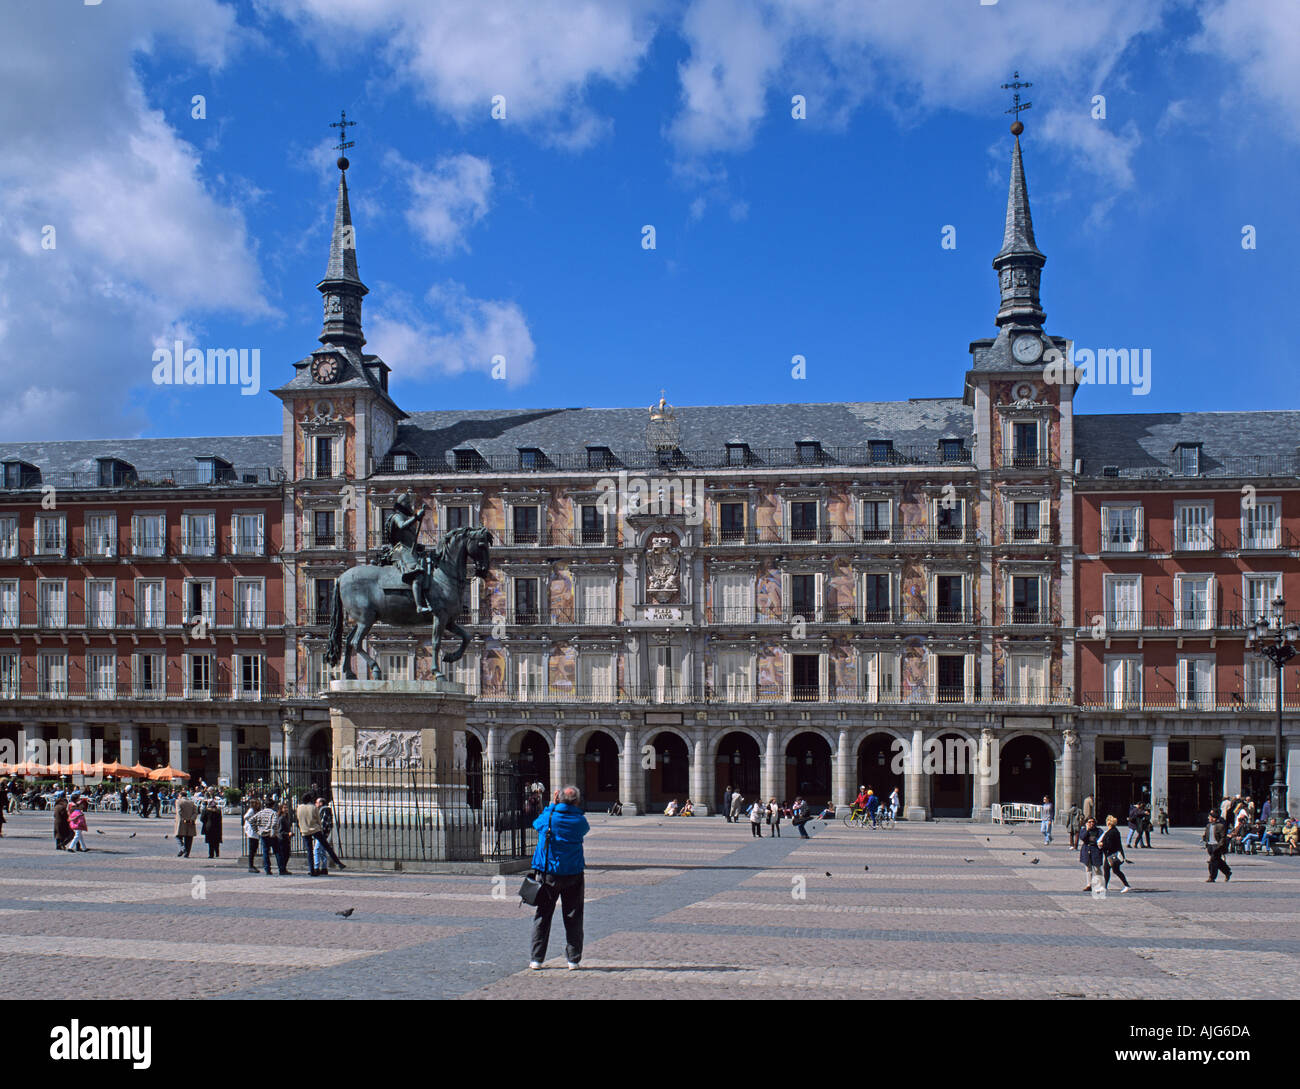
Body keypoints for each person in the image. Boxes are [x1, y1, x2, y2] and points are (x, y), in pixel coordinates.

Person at [528, 785, 590, 971]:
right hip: (573, 874)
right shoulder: (580, 821)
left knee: (543, 916)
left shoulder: (549, 817)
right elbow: (583, 830)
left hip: (548, 875)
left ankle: (537, 959)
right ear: (577, 801)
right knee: (573, 916)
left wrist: (551, 806)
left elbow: (536, 824)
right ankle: (573, 960)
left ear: (558, 799)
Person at [296, 792, 325, 876]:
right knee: (320, 848)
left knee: (309, 850)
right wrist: (320, 828)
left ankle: (311, 869)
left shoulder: (299, 807)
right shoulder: (313, 807)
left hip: (304, 830)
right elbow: (318, 820)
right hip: (314, 829)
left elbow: (298, 818)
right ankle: (319, 867)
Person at [1099, 815, 1131, 892]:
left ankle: (1126, 885)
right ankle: (1105, 886)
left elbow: (1110, 845)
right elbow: (1119, 844)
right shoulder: (1115, 831)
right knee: (1109, 870)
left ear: (1109, 823)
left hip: (1111, 854)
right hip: (1113, 854)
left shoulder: (1111, 832)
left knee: (1114, 870)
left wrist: (1102, 845)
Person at [315, 795, 346, 870]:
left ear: (321, 803)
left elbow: (323, 823)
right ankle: (325, 867)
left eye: (317, 802)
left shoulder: (324, 810)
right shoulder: (324, 810)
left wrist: (319, 831)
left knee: (317, 850)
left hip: (321, 833)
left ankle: (316, 867)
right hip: (323, 833)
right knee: (322, 850)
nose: (315, 804)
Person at [1202, 811, 1232, 883]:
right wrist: (1205, 840)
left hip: (1217, 846)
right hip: (1210, 845)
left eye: (1210, 817)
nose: (1208, 818)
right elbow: (1206, 834)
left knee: (1212, 862)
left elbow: (1223, 837)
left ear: (1214, 818)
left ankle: (1212, 877)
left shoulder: (1220, 826)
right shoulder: (1208, 826)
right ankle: (1227, 872)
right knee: (1218, 861)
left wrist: (1220, 845)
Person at [253, 800, 280, 875]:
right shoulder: (273, 813)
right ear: (272, 805)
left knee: (265, 852)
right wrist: (273, 832)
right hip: (271, 834)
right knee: (277, 851)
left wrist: (257, 829)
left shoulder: (261, 812)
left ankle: (267, 869)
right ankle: (281, 868)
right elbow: (274, 824)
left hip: (263, 834)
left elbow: (252, 820)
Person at [1078, 816, 1103, 891]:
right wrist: (1087, 830)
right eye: (1089, 822)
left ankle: (1100, 884)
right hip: (1086, 850)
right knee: (1088, 868)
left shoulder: (1099, 830)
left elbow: (1101, 838)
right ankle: (1089, 884)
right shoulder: (1083, 830)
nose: (1091, 823)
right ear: (1086, 823)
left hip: (1095, 850)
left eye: (1093, 822)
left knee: (1097, 868)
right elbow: (1082, 837)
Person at [173, 792, 199, 858]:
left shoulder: (178, 802)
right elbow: (195, 812)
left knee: (178, 836)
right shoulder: (191, 802)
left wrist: (184, 819)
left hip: (181, 822)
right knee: (189, 838)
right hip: (190, 822)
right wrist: (191, 819)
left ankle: (182, 848)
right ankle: (187, 854)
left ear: (180, 795)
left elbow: (179, 812)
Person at [274, 803, 294, 875]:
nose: (286, 809)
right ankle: (282, 869)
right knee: (284, 855)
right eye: (284, 808)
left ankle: (283, 868)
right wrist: (287, 834)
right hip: (282, 839)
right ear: (281, 809)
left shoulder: (286, 817)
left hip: (286, 839)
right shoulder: (281, 818)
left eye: (286, 808)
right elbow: (280, 831)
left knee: (287, 854)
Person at [243, 801, 261, 873]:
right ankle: (250, 865)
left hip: (255, 832)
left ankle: (252, 865)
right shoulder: (251, 810)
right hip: (251, 832)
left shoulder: (256, 811)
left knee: (254, 849)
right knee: (252, 849)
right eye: (257, 804)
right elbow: (245, 817)